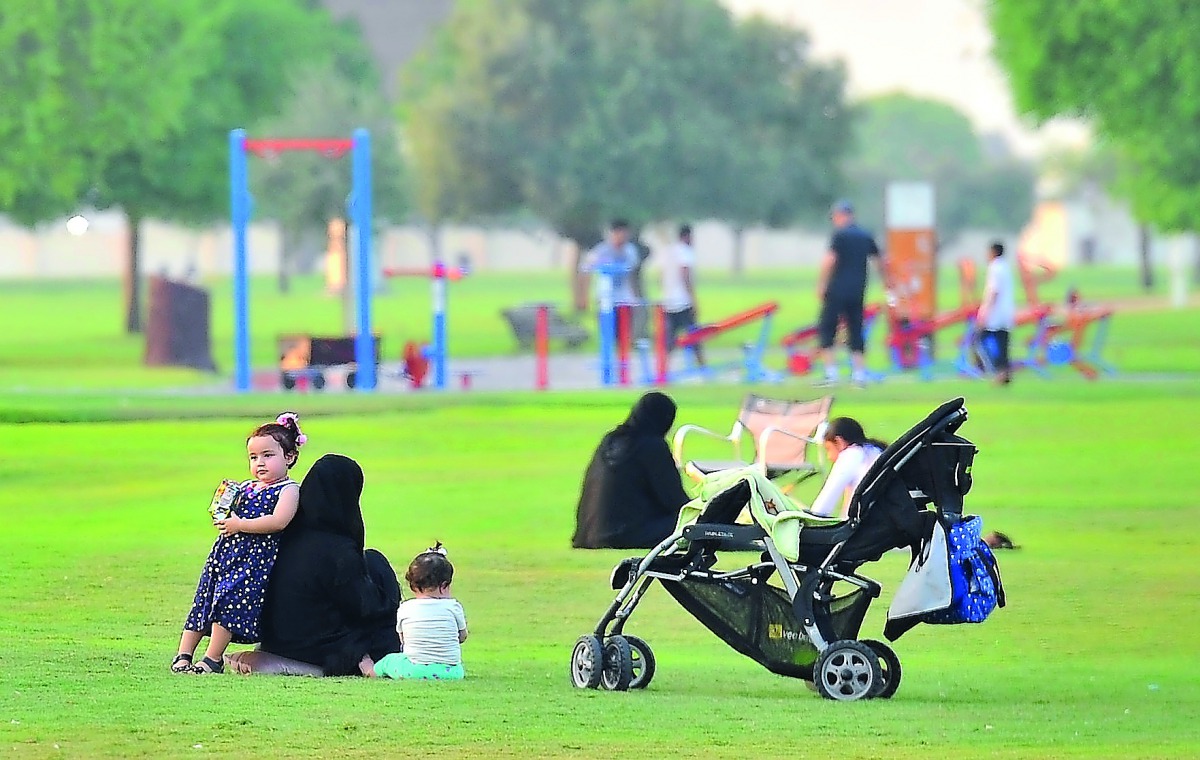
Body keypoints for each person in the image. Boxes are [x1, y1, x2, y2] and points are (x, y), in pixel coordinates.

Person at [226, 454, 402, 676]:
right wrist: (390, 591)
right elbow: (365, 608)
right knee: (377, 565)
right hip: (312, 648)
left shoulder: (284, 533)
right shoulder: (336, 549)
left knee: (371, 561)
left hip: (277, 639)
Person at [171, 413, 306, 674]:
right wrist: (222, 510)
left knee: (227, 605)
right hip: (224, 555)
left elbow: (278, 521)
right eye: (254, 458)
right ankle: (183, 654)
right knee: (204, 601)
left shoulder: (288, 490)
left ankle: (212, 659)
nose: (260, 463)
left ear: (289, 457)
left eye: (268, 455)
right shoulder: (246, 487)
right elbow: (224, 512)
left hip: (253, 561)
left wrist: (240, 525)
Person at [572, 391, 690, 549]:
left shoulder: (610, 441)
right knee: (695, 527)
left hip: (590, 535)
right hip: (627, 534)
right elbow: (673, 499)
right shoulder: (652, 446)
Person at [364, 545, 468, 680]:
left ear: (413, 585)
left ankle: (370, 670)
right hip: (452, 672)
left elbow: (403, 640)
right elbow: (462, 636)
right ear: (444, 586)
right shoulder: (453, 607)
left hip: (414, 670)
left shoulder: (405, 608)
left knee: (390, 660)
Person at [815, 200, 889, 388]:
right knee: (856, 330)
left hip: (837, 290)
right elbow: (880, 261)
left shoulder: (839, 236)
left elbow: (830, 261)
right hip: (858, 291)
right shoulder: (865, 236)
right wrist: (888, 284)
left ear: (842, 216)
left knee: (827, 328)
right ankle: (859, 374)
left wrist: (822, 284)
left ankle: (832, 373)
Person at [804, 417, 888, 520]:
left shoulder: (850, 455)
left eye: (828, 449)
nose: (829, 457)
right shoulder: (876, 450)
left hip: (866, 527)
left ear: (839, 442)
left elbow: (821, 509)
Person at [582, 219, 644, 339]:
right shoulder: (602, 250)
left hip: (624, 298)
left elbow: (631, 273)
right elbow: (587, 268)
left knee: (624, 332)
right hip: (606, 298)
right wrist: (585, 296)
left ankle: (622, 355)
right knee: (608, 332)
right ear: (613, 233)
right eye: (620, 233)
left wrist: (635, 296)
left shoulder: (630, 251)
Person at [658, 223, 705, 367]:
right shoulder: (685, 252)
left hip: (668, 300)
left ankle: (663, 367)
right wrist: (693, 299)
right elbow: (685, 275)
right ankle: (702, 365)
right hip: (683, 301)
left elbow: (661, 275)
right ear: (687, 236)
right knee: (694, 334)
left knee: (670, 338)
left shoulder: (668, 251)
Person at [976, 241, 1016, 385]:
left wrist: (985, 312)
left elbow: (994, 291)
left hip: (995, 313)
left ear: (993, 252)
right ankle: (1005, 373)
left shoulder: (995, 267)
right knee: (1003, 343)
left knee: (980, 340)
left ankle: (995, 371)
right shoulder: (1006, 266)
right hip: (1006, 312)